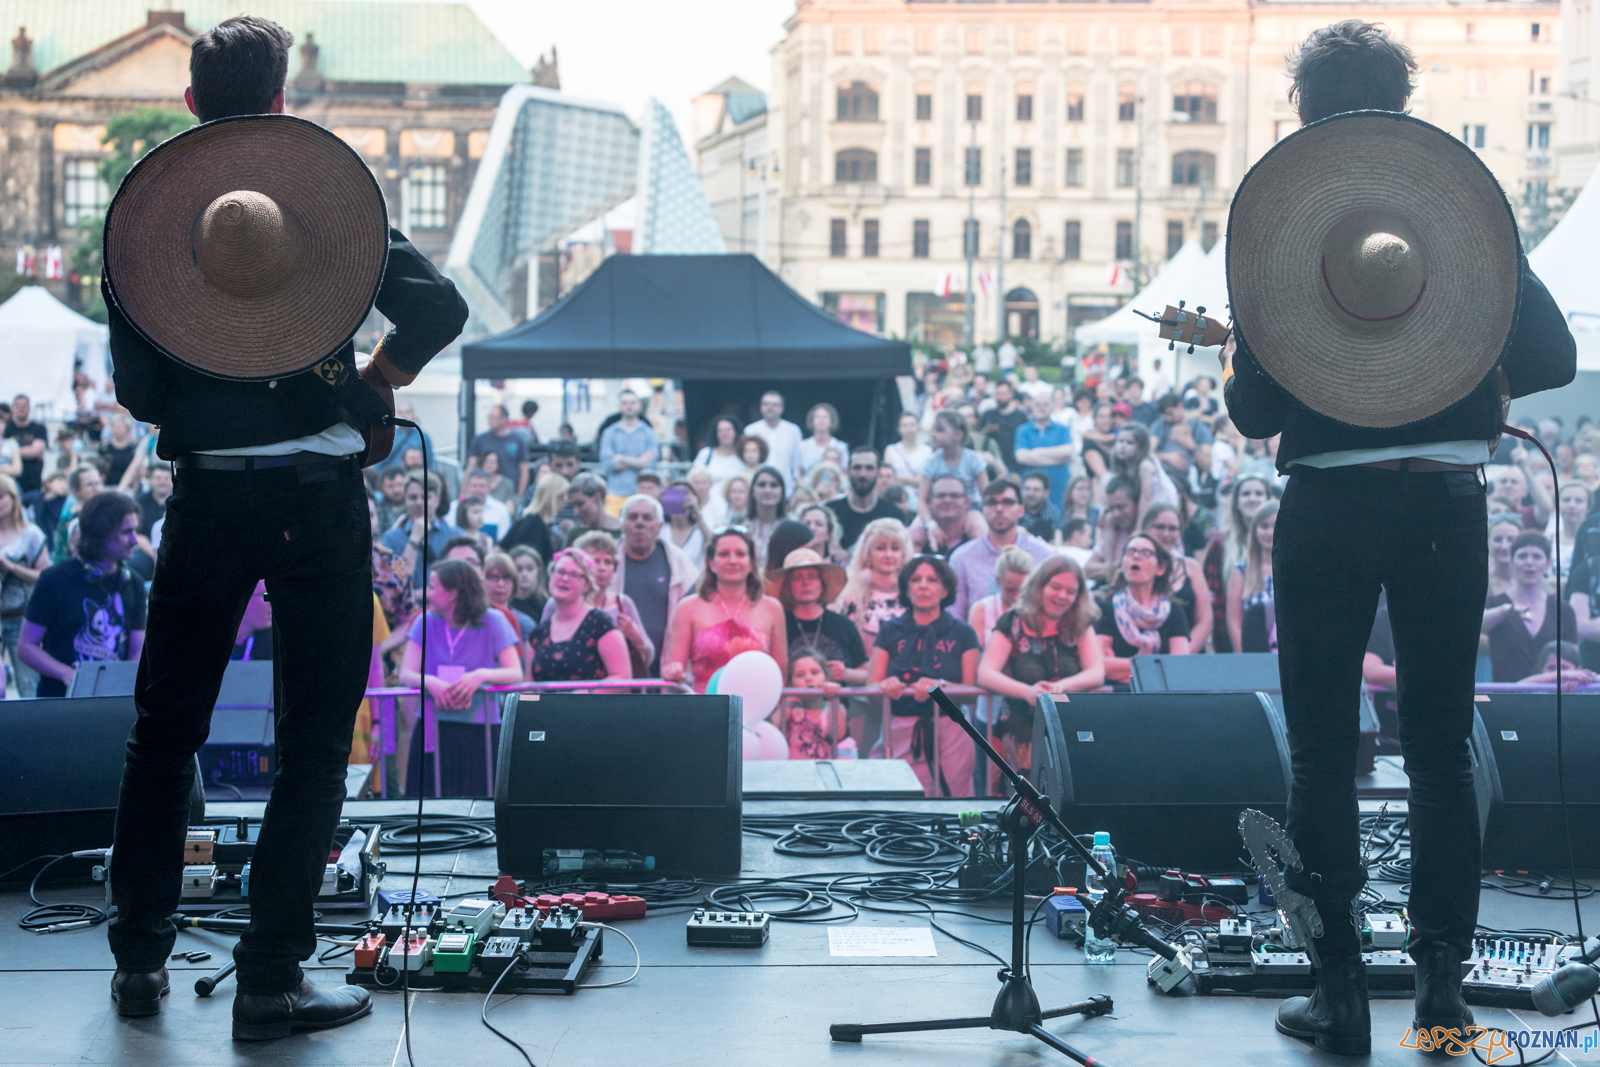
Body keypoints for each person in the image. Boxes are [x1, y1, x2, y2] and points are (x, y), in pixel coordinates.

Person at [98, 14, 469, 1038]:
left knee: (163, 733)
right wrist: (371, 388)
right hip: (315, 496)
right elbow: (437, 308)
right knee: (311, 740)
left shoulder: (147, 223)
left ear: (189, 105)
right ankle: (270, 979)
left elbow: (137, 391)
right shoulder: (312, 205)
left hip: (208, 495)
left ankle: (138, 960)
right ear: (278, 103)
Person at [1224, 20, 1576, 1056]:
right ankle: (1441, 996)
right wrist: (1460, 369)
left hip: (1327, 507)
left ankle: (1337, 997)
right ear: (1403, 102)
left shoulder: (1284, 222)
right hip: (1444, 506)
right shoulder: (1456, 211)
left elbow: (1252, 413)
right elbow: (1551, 352)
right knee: (1438, 750)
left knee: (1323, 752)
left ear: (1303, 110)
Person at [397, 560, 521, 796]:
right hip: (433, 727)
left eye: (433, 587)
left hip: (478, 731)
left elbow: (515, 673)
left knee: (477, 803)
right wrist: (430, 682)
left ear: (452, 593)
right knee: (427, 801)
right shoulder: (424, 621)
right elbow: (406, 674)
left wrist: (480, 676)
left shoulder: (494, 621)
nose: (427, 593)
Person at [977, 555, 1105, 777]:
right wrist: (1027, 692)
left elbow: (1097, 673)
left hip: (1068, 731)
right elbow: (986, 673)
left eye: (1071, 591)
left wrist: (1063, 685)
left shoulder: (1080, 623)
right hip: (1019, 732)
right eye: (1055, 587)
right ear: (1039, 585)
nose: (1062, 596)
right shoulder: (1013, 621)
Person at [869, 555, 981, 797]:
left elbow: (971, 691)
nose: (923, 585)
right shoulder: (889, 631)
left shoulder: (964, 632)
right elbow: (871, 689)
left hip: (951, 731)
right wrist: (884, 685)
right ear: (906, 588)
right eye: (915, 579)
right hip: (900, 728)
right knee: (900, 801)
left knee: (954, 803)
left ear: (945, 589)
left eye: (932, 579)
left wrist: (940, 686)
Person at [18, 491, 146, 698]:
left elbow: (136, 651)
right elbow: (26, 646)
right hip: (60, 702)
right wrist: (67, 674)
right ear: (101, 532)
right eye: (126, 532)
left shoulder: (133, 583)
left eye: (135, 531)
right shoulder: (54, 580)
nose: (134, 540)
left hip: (111, 702)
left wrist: (120, 686)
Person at [662, 526, 788, 691]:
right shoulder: (688, 608)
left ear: (751, 564)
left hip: (759, 710)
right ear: (711, 563)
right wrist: (674, 674)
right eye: (723, 554)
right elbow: (675, 673)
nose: (732, 561)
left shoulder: (772, 608)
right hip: (705, 709)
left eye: (740, 554)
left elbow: (780, 675)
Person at [947, 478, 1054, 621]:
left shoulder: (1043, 555)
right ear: (982, 510)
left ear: (1021, 510)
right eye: (992, 503)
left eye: (1007, 502)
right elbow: (955, 614)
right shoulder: (962, 557)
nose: (999, 509)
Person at [1093, 533, 1192, 687]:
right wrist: (1158, 667)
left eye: (1146, 553)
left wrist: (1125, 669)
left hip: (1161, 698)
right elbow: (1099, 665)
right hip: (1116, 696)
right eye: (1130, 552)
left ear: (1160, 568)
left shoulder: (1174, 611)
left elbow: (1178, 668)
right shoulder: (1106, 608)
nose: (1136, 557)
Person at [613, 494, 696, 675]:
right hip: (619, 667)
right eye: (633, 517)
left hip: (668, 667)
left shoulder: (678, 561)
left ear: (659, 527)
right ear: (622, 524)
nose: (639, 523)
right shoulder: (608, 561)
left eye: (647, 518)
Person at [1482, 532, 1576, 683]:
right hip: (1507, 698)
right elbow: (1476, 624)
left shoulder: (1563, 609)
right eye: (1522, 556)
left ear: (1548, 564)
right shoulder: (1494, 603)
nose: (1529, 562)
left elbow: (1573, 659)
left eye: (1537, 557)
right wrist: (1504, 611)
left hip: (1550, 697)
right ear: (1512, 562)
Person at [528, 548, 630, 685]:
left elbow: (622, 678)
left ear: (587, 585)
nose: (564, 578)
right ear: (551, 576)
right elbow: (527, 688)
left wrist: (578, 697)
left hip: (589, 706)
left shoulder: (600, 624)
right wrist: (535, 702)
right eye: (560, 572)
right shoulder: (538, 633)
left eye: (574, 574)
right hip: (545, 707)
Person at [771, 547, 867, 688]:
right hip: (791, 707)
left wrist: (846, 673)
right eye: (798, 578)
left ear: (823, 583)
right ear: (787, 586)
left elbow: (866, 672)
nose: (806, 583)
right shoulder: (779, 624)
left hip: (836, 707)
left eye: (812, 576)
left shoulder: (844, 625)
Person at [1202, 475, 1275, 652]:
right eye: (1246, 494)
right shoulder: (1219, 545)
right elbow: (1214, 598)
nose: (1252, 498)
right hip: (1234, 641)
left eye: (1258, 493)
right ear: (1236, 502)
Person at [0, 472, 50, 696]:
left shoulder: (30, 534)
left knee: (28, 687)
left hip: (23, 619)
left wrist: (10, 566)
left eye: (1, 497)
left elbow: (45, 576)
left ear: (13, 498)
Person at [1143, 504, 1214, 652]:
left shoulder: (1191, 567)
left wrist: (1182, 655)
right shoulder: (1133, 564)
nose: (1166, 533)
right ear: (1146, 528)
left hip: (1188, 656)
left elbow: (1205, 621)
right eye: (1160, 527)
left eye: (1172, 528)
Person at [381, 470, 463, 590]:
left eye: (426, 497)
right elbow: (398, 582)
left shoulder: (455, 535)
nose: (419, 502)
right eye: (413, 497)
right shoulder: (391, 538)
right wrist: (414, 538)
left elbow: (461, 579)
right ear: (406, 500)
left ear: (437, 500)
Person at [826, 447, 905, 551]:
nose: (863, 474)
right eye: (857, 467)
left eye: (869, 468)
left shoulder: (894, 515)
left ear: (878, 472)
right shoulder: (830, 512)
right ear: (847, 471)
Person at [1226, 502, 1279, 653]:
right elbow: (1234, 623)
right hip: (1254, 653)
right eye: (1264, 526)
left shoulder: (1296, 570)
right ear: (1254, 531)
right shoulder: (1240, 571)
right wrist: (1245, 659)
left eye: (1275, 525)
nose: (1270, 532)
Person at [1111, 421, 1178, 538]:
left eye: (1130, 442)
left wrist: (1139, 529)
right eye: (1120, 441)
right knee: (1109, 519)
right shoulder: (1126, 466)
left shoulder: (1145, 465)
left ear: (1141, 447)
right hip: (1150, 509)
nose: (1123, 446)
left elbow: (1145, 498)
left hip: (1162, 508)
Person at [918, 411, 989, 516]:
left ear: (957, 434)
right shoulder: (931, 462)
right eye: (933, 430)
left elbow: (986, 495)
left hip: (970, 511)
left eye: (940, 430)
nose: (933, 434)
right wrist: (930, 525)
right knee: (915, 531)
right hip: (939, 512)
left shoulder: (974, 459)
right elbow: (922, 500)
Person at [1014, 392, 1075, 513]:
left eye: (1045, 404)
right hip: (1031, 493)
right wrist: (1057, 459)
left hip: (1058, 490)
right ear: (1031, 407)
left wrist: (1034, 454)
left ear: (1052, 406)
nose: (1041, 408)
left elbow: (1067, 452)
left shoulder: (1062, 429)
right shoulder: (1023, 430)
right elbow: (1021, 457)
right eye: (1037, 404)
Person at [782, 647, 846, 758]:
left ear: (827, 679)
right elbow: (775, 725)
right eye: (800, 675)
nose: (808, 678)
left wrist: (833, 698)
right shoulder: (791, 708)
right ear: (791, 682)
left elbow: (838, 735)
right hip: (793, 771)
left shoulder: (834, 706)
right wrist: (790, 696)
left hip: (823, 770)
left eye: (815, 672)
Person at [967, 545, 1034, 647]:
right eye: (1010, 590)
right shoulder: (981, 610)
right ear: (998, 580)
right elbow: (975, 656)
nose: (1016, 597)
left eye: (1022, 591)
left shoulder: (1037, 610)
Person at [598, 389, 658, 499]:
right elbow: (608, 464)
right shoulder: (609, 432)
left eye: (632, 402)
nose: (629, 406)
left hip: (642, 495)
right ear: (619, 406)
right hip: (615, 495)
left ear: (639, 405)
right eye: (625, 403)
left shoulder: (649, 432)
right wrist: (639, 461)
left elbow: (649, 464)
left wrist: (621, 458)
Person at [912, 474, 986, 557]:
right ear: (929, 501)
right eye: (941, 495)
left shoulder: (977, 534)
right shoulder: (918, 537)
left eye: (955, 495)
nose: (947, 500)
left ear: (967, 502)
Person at [744, 391, 803, 492]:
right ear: (761, 407)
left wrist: (797, 488)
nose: (770, 407)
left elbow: (797, 462)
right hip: (757, 488)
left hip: (787, 489)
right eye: (766, 404)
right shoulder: (750, 431)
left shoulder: (793, 431)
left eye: (775, 405)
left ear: (782, 408)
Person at [1084, 476, 1139, 584]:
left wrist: (1107, 568)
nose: (1116, 514)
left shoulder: (1148, 534)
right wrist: (1115, 566)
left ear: (1136, 503)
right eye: (1111, 508)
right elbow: (1087, 569)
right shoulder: (1114, 530)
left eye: (1121, 507)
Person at [502, 473, 564, 564]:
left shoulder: (529, 520)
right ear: (554, 497)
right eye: (562, 498)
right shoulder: (534, 525)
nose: (564, 503)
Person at [470, 404, 531, 497]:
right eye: (489, 417)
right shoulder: (479, 440)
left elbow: (524, 469)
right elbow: (471, 467)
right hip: (482, 493)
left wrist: (519, 496)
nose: (489, 420)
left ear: (504, 419)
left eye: (493, 417)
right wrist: (463, 493)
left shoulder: (518, 440)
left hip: (509, 494)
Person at [978, 380, 1029, 472]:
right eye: (998, 393)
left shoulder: (1021, 416)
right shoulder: (988, 415)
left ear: (1010, 394)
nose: (999, 397)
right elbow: (978, 438)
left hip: (1015, 464)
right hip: (993, 465)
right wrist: (986, 430)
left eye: (1003, 393)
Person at [746, 465, 789, 568]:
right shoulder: (738, 523)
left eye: (774, 485)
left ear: (782, 492)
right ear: (752, 491)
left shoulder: (791, 528)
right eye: (762, 485)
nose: (767, 490)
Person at [4, 394, 49, 494]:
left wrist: (12, 451)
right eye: (18, 405)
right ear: (13, 409)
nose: (21, 408)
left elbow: (36, 451)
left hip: (33, 483)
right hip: (11, 482)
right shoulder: (7, 429)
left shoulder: (39, 428)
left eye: (24, 405)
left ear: (29, 408)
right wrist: (27, 451)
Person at [564, 472, 622, 541]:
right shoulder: (576, 532)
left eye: (580, 504)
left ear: (597, 497)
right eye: (573, 506)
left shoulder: (623, 531)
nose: (575, 512)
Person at [1548, 482, 1589, 579]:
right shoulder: (1548, 539)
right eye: (1566, 500)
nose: (1571, 505)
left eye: (1578, 501)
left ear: (1588, 507)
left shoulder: (1594, 541)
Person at [693, 416, 746, 488]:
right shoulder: (706, 454)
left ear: (736, 431)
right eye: (720, 430)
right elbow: (694, 479)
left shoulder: (745, 454)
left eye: (728, 429)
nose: (725, 433)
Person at [884, 412, 932, 487]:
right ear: (899, 429)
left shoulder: (927, 451)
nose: (908, 428)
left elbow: (924, 479)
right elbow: (888, 477)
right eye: (904, 425)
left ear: (918, 427)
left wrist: (900, 479)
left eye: (912, 425)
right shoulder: (890, 450)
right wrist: (914, 480)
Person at [796, 402, 843, 478]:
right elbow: (798, 475)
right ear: (812, 422)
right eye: (818, 417)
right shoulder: (802, 446)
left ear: (832, 421)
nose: (821, 420)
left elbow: (844, 475)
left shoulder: (841, 447)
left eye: (825, 417)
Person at [1018, 472, 1062, 541]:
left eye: (1036, 490)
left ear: (1046, 493)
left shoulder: (1055, 516)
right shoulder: (1015, 512)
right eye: (1027, 488)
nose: (1030, 493)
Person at [507, 546, 547, 620]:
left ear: (538, 570)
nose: (524, 574)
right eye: (519, 569)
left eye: (530, 569)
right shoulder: (505, 602)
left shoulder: (544, 604)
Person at [103, 416, 141, 490]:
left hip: (126, 489)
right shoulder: (104, 449)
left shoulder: (132, 450)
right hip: (107, 487)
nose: (117, 429)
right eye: (114, 426)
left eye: (120, 427)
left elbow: (137, 473)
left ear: (127, 429)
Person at [372, 466, 408, 533]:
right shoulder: (377, 508)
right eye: (390, 486)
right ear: (382, 487)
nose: (396, 490)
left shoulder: (415, 504)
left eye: (399, 485)